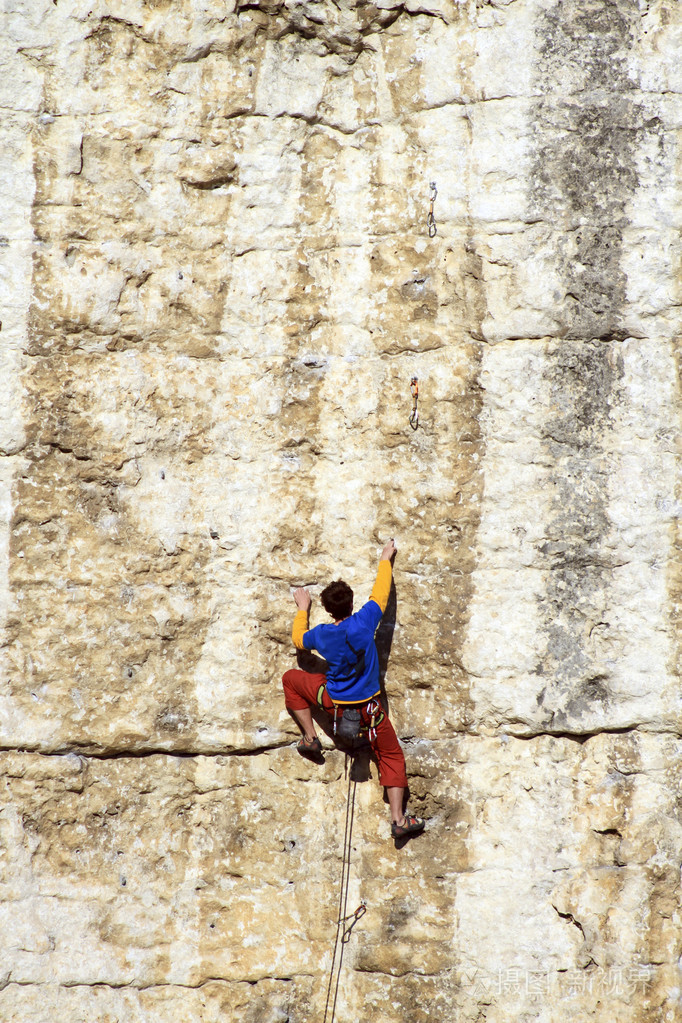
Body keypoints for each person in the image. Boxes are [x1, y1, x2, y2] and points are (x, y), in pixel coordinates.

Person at [282, 540, 425, 840]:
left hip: (334, 703)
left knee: (291, 680)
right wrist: (385, 559)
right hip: (370, 713)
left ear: (327, 609)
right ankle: (398, 819)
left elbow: (298, 639)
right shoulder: (364, 621)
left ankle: (310, 738)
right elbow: (380, 593)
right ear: (351, 603)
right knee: (392, 756)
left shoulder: (321, 635)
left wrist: (302, 609)